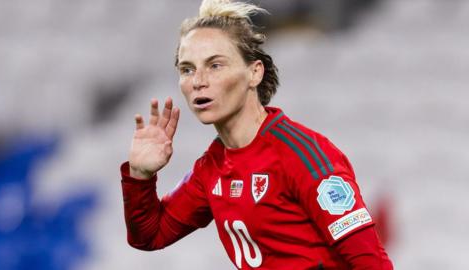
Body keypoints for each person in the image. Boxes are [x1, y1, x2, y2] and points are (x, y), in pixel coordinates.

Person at [120, 0, 393, 269]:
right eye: (187, 69)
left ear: (254, 72)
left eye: (215, 65)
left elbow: (373, 264)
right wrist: (140, 177)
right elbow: (150, 235)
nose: (198, 81)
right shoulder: (211, 166)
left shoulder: (301, 155)